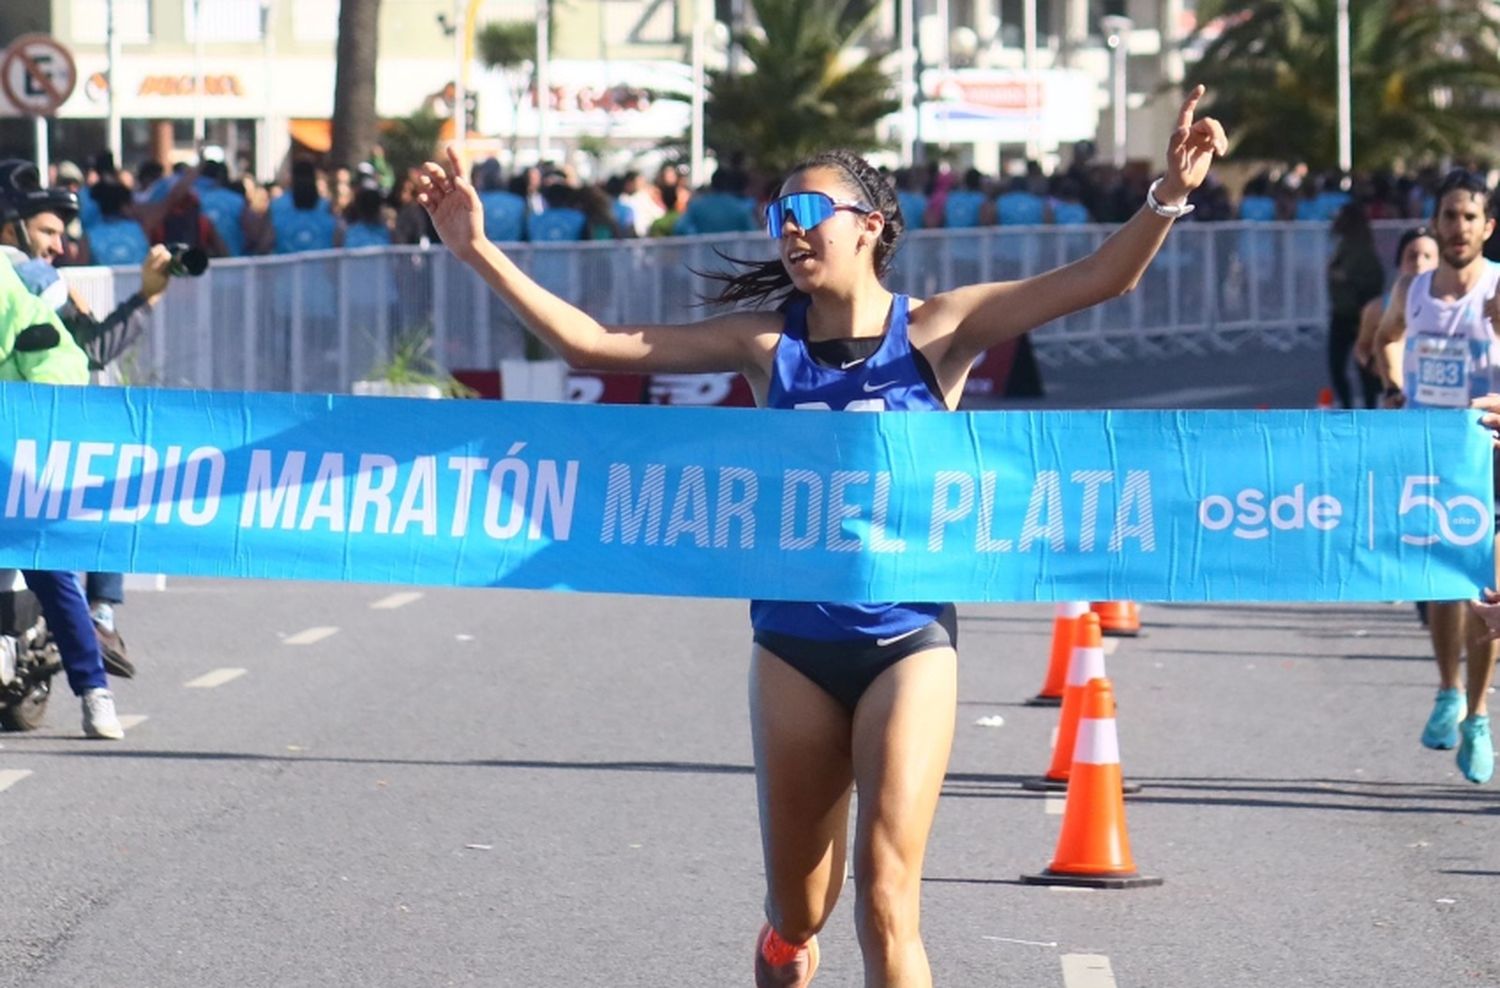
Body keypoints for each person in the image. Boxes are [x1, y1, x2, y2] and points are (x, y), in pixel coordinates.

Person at [415, 86, 1224, 985]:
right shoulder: (767, 347)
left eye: (806, 213)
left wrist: (1168, 195)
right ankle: (780, 943)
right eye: (779, 217)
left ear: (871, 224)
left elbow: (1099, 279)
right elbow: (598, 346)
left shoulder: (938, 331)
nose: (789, 233)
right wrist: (476, 248)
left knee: (887, 896)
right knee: (800, 916)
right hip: (793, 650)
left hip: (908, 642)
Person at [0, 157, 177, 680]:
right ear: (12, 229)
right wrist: (146, 297)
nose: (59, 246)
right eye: (47, 232)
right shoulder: (30, 275)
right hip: (31, 448)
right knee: (106, 491)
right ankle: (100, 618)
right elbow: (95, 348)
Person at [1375, 168, 1500, 785]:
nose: (1457, 228)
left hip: (1490, 457)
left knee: (1486, 589)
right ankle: (1449, 691)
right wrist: (1396, 385)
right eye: (1449, 216)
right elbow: (1386, 338)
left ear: (1487, 227)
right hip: (1431, 459)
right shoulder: (1414, 290)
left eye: (1469, 218)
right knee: (1442, 584)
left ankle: (1477, 716)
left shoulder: (1498, 291)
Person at [0, 251, 125, 739]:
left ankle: (94, 691)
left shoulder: (21, 311)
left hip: (18, 470)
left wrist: (25, 418)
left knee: (50, 571)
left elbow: (63, 372)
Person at [1354, 226, 1438, 380]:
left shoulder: (1451, 306)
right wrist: (1376, 367)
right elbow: (1362, 346)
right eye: (1412, 256)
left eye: (1427, 256)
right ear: (1400, 263)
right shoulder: (1377, 309)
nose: (1419, 263)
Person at [1326, 202, 1386, 408]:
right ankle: (1347, 407)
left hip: (1357, 315)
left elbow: (1373, 282)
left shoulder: (1362, 250)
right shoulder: (1344, 246)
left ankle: (1368, 410)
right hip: (1340, 313)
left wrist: (1347, 279)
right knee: (1338, 367)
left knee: (1365, 369)